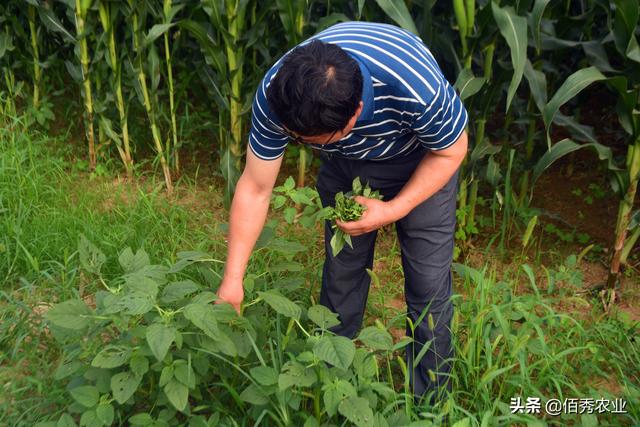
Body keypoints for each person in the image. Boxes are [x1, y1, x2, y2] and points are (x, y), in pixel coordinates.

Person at [216, 21, 468, 405]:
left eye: (310, 143)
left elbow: (452, 149)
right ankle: (331, 383)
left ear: (356, 116)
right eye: (297, 140)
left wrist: (392, 210)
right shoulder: (279, 93)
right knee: (341, 273)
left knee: (427, 284)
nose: (299, 146)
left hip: (424, 159)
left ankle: (430, 400)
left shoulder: (414, 84)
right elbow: (255, 187)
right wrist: (232, 280)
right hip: (346, 166)